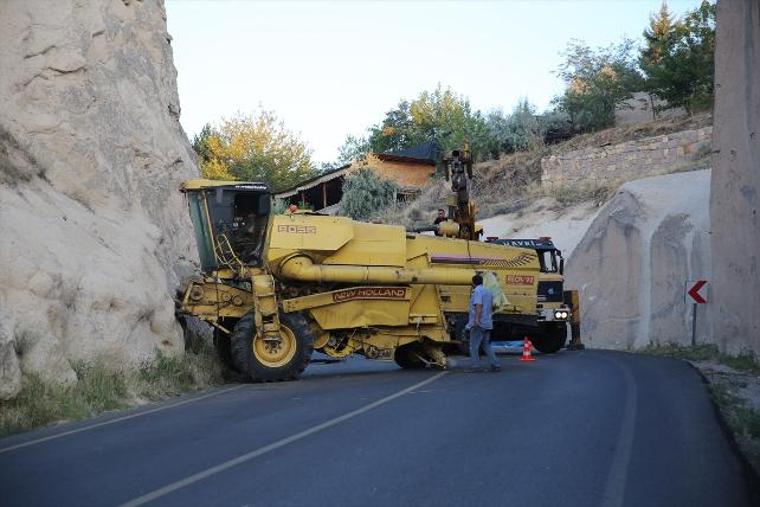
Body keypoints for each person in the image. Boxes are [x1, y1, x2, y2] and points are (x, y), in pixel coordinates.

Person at [466, 274, 500, 372]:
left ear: (473, 283)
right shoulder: (488, 291)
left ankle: (475, 366)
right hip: (487, 322)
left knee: (473, 346)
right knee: (486, 345)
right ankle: (496, 364)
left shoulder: (477, 291)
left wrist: (476, 320)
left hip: (479, 323)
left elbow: (479, 305)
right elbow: (493, 306)